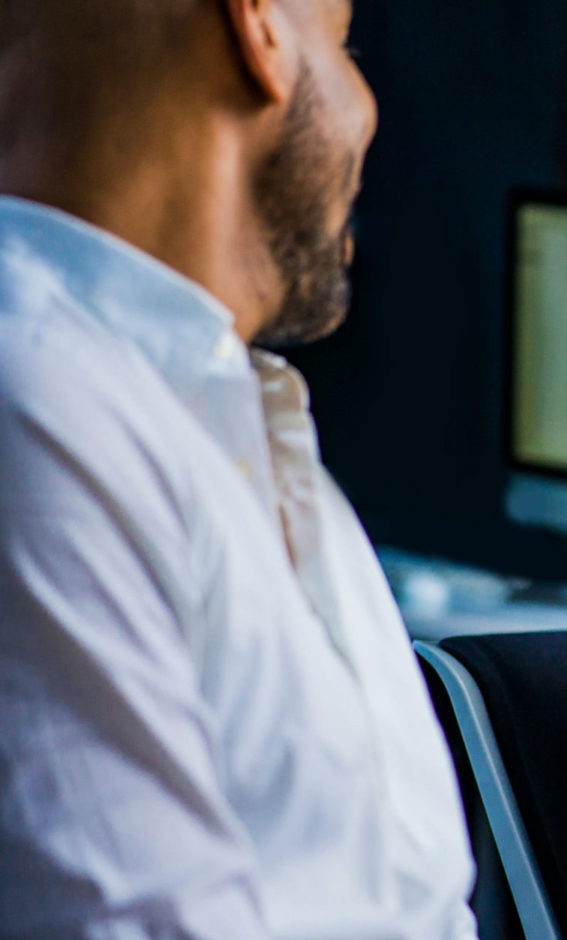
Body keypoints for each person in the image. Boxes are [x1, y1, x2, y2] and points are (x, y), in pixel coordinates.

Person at [0, 1, 477, 936]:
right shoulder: (40, 408)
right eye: (346, 52)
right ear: (259, 27)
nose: (369, 106)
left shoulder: (222, 417)